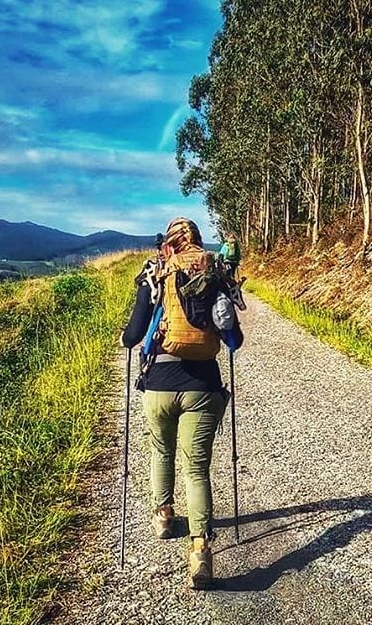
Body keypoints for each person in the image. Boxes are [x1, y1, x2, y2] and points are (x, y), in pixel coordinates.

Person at [121, 217, 239, 589]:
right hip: (203, 385)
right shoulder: (215, 273)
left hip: (158, 384)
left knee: (161, 453)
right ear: (199, 243)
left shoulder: (156, 275)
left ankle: (164, 515)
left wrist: (133, 331)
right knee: (197, 469)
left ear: (168, 245)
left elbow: (132, 337)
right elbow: (234, 340)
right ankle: (201, 551)